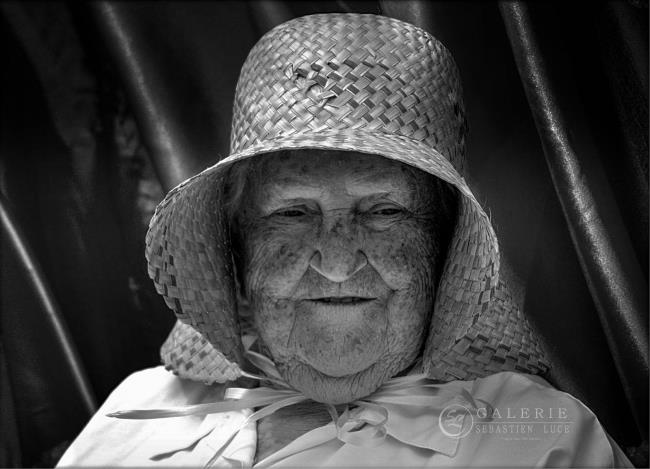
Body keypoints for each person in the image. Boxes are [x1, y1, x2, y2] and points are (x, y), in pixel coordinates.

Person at [57, 13, 632, 467]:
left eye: (383, 211)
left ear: (444, 248)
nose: (335, 262)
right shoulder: (137, 407)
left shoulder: (540, 439)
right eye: (293, 213)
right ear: (237, 247)